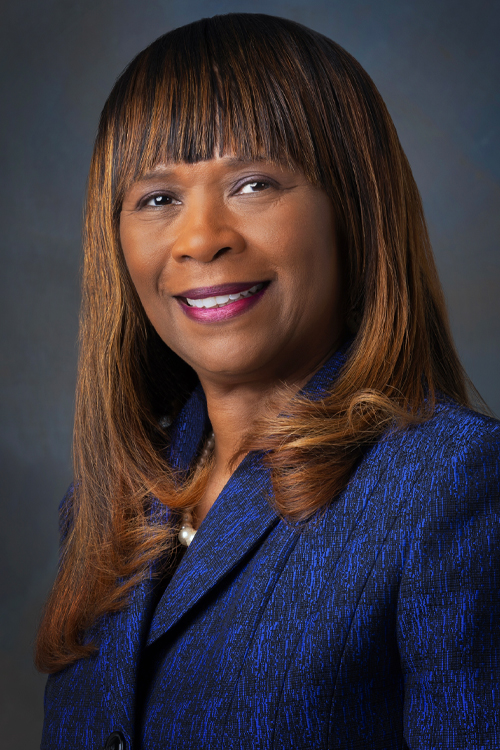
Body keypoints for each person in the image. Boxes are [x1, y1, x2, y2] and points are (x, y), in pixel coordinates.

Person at [37, 13, 499, 750]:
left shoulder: (451, 483)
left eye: (254, 183)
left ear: (352, 210)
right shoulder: (103, 512)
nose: (200, 238)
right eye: (157, 198)